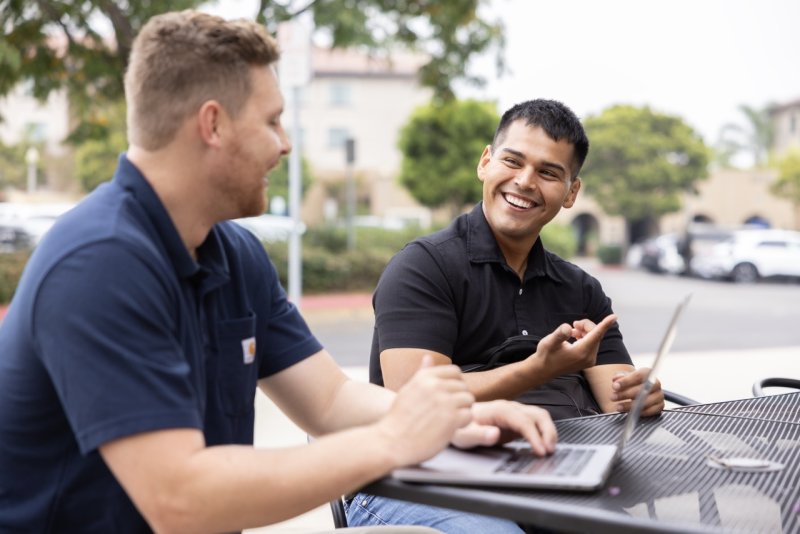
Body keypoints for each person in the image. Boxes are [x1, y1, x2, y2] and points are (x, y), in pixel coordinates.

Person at [0, 11, 559, 533]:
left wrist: (452, 421)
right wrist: (393, 439)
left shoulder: (234, 254)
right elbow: (177, 500)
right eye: (272, 122)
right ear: (213, 125)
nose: (286, 145)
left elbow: (330, 401)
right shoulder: (100, 263)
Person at [346, 99, 664, 530]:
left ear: (571, 192)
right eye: (513, 161)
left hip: (546, 474)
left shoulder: (580, 288)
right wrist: (537, 369)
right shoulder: (423, 266)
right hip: (418, 478)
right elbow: (413, 397)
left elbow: (617, 398)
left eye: (549, 172)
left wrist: (639, 394)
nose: (525, 181)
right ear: (486, 162)